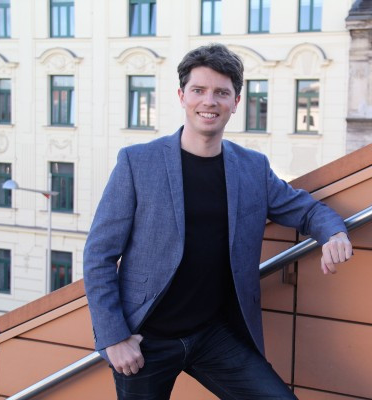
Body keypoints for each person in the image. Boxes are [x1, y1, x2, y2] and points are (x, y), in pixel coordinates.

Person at [83, 43, 352, 400]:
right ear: (182, 96)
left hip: (214, 334)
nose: (209, 101)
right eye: (199, 90)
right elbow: (98, 255)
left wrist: (333, 233)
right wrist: (114, 337)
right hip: (145, 339)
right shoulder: (137, 163)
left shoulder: (251, 168)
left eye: (221, 93)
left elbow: (305, 209)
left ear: (235, 102)